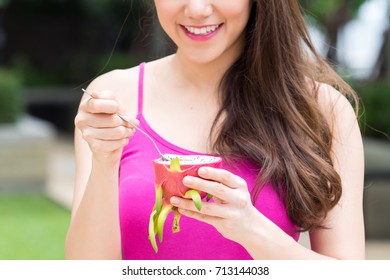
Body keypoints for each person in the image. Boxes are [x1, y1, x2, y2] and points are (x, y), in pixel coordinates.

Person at [65, 0, 365, 260]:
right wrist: (105, 162)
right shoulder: (114, 97)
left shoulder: (323, 111)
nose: (196, 9)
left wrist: (252, 230)